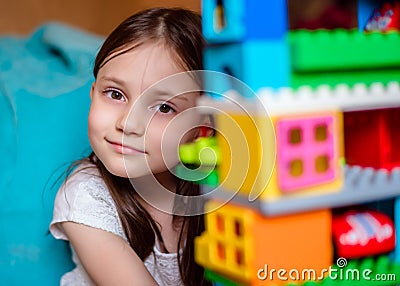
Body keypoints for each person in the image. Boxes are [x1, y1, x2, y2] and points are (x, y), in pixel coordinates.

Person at [50, 7, 212, 286]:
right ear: (93, 93)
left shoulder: (216, 188)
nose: (128, 123)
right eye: (115, 94)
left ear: (202, 128)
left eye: (163, 107)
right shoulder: (85, 197)